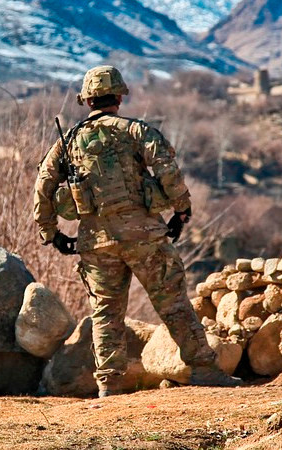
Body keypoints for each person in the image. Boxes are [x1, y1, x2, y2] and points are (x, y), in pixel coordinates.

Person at [33, 66, 242, 397]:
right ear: (119, 97)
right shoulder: (136, 131)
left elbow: (44, 185)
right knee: (173, 304)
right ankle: (204, 370)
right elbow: (167, 169)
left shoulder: (68, 141)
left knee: (106, 312)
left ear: (87, 100)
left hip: (96, 242)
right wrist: (181, 210)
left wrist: (51, 233)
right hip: (145, 237)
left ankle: (109, 384)